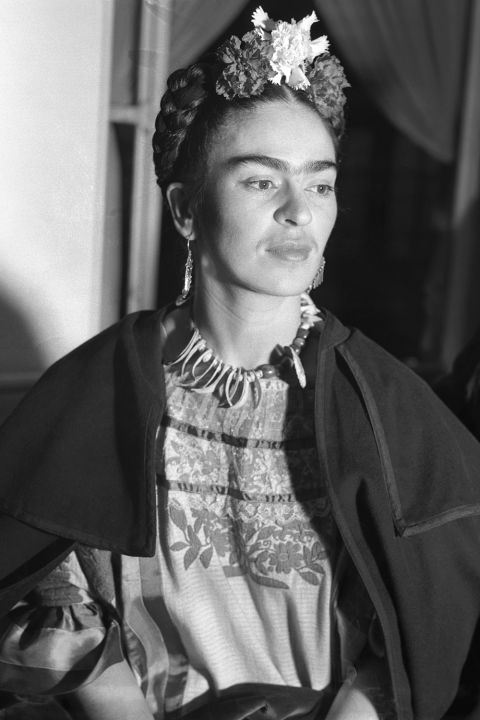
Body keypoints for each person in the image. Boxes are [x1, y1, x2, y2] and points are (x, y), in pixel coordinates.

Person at [0, 7, 480, 720]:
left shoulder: (389, 406)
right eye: (261, 181)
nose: (299, 212)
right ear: (186, 208)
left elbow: (420, 637)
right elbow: (59, 617)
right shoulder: (96, 390)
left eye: (320, 184)